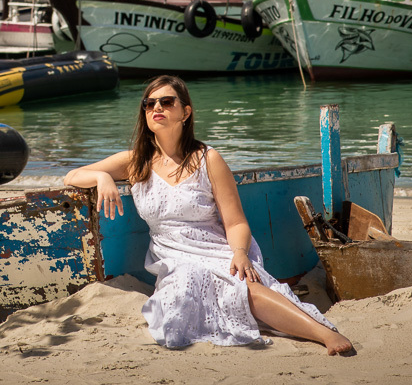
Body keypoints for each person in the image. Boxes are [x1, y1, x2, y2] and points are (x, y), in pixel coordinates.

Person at [63, 75, 354, 354]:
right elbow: (73, 175)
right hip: (174, 257)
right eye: (149, 104)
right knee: (184, 294)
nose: (156, 108)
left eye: (166, 102)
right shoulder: (136, 161)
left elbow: (236, 221)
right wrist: (103, 178)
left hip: (218, 249)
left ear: (185, 112)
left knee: (242, 289)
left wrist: (239, 252)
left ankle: (323, 333)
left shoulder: (207, 159)